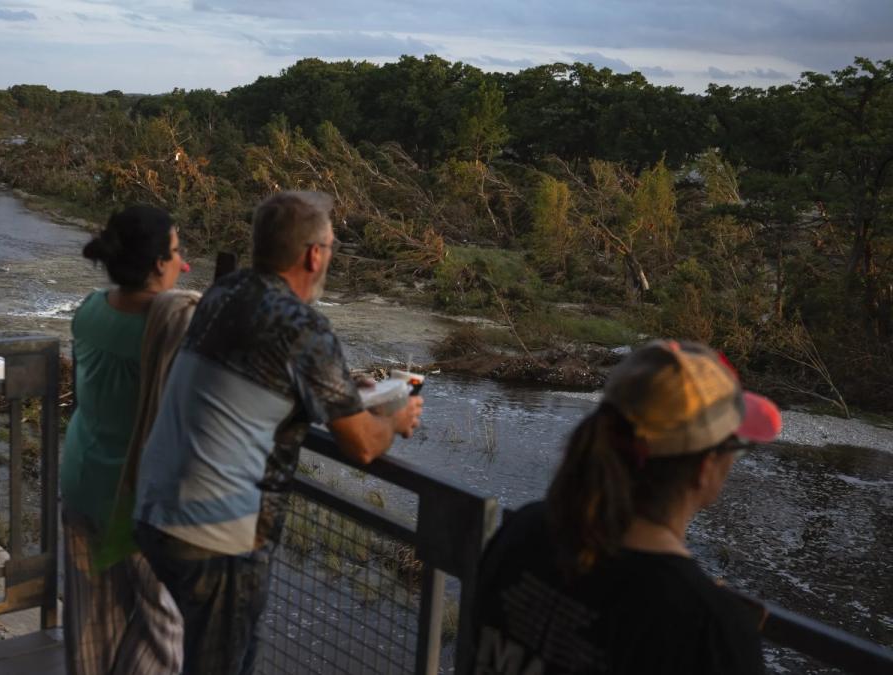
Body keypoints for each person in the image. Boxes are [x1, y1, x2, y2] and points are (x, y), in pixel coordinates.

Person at [133, 190, 424, 675]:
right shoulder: (304, 327)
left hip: (155, 510)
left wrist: (337, 388)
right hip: (216, 534)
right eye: (330, 247)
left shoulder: (224, 294)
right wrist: (395, 418)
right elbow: (363, 445)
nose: (330, 256)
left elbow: (255, 372)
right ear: (314, 255)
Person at [469, 340, 781, 675]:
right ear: (705, 467)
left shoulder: (524, 531)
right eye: (736, 447)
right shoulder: (708, 629)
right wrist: (707, 605)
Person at [61, 205, 193, 675]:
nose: (184, 262)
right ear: (159, 263)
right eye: (178, 252)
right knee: (166, 630)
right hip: (133, 498)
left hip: (80, 479)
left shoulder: (91, 309)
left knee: (92, 627)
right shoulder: (170, 329)